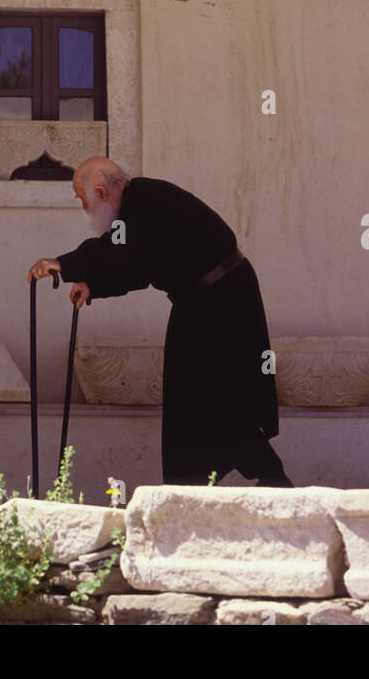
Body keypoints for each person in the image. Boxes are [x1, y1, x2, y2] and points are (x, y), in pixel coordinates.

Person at [27, 156, 293, 487]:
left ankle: (264, 481)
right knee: (195, 403)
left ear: (100, 191)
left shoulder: (143, 201)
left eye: (85, 202)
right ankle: (193, 488)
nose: (86, 211)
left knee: (216, 400)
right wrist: (94, 284)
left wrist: (63, 265)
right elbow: (139, 268)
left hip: (221, 304)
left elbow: (119, 251)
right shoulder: (141, 205)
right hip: (204, 303)